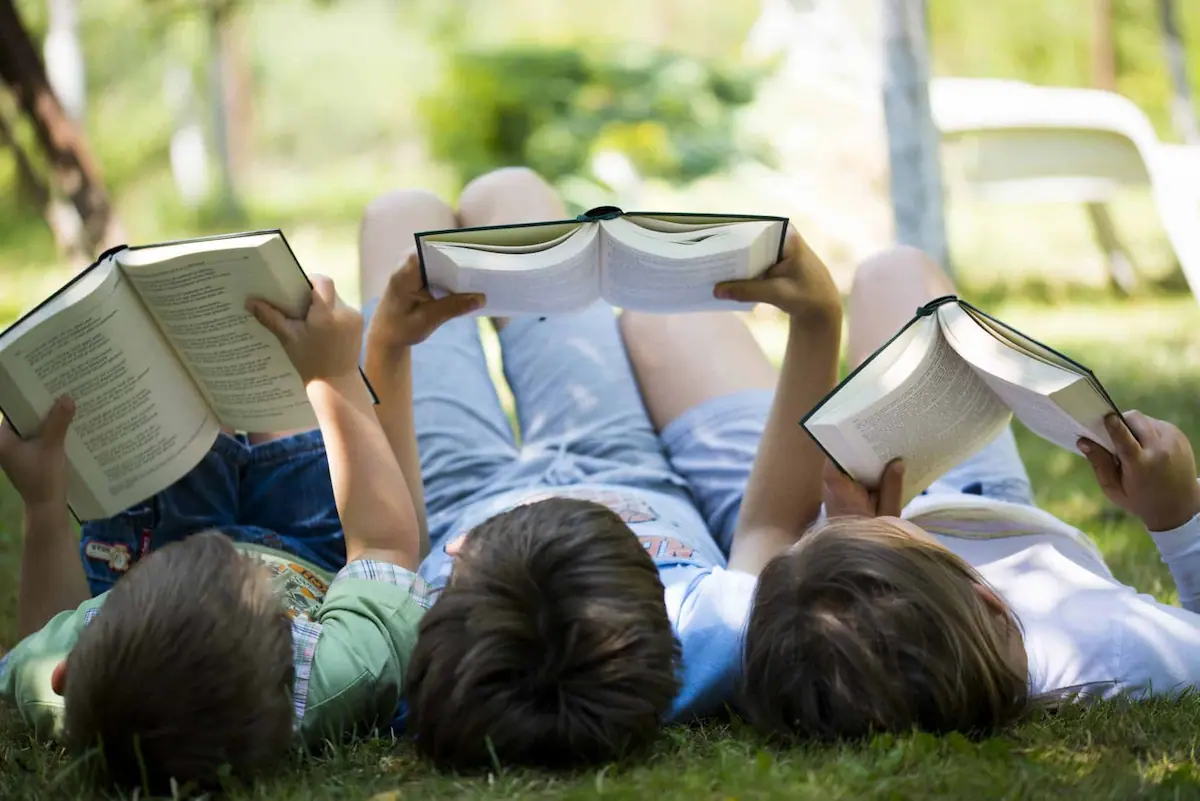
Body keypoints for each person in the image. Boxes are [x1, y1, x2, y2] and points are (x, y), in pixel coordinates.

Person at [357, 167, 843, 769]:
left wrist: (387, 349)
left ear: (454, 558)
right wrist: (819, 320)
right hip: (620, 460)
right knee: (513, 195)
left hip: (454, 489)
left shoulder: (421, 663)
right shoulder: (708, 636)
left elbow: (393, 541)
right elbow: (771, 527)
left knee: (398, 215)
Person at [741, 245, 1200, 740]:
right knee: (898, 272)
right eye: (894, 539)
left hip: (892, 498)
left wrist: (855, 529)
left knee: (889, 273)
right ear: (992, 602)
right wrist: (1176, 516)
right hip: (991, 504)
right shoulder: (1116, 645)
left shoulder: (857, 649)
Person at [0, 276, 429, 793]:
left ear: (67, 674)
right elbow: (384, 545)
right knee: (269, 385)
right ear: (292, 653)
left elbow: (34, 649)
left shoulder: (71, 675)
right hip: (316, 545)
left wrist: (44, 503)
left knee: (169, 385)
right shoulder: (334, 675)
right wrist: (332, 376)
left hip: (160, 535)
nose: (229, 550)